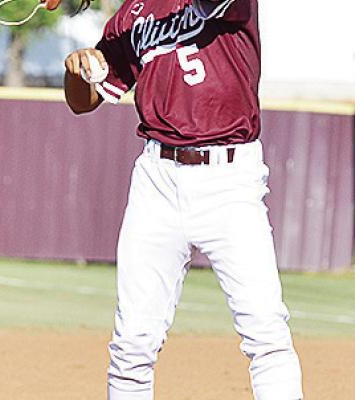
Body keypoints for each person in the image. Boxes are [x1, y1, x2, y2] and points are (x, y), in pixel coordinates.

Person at [63, 1, 303, 399]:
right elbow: (82, 102)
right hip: (157, 178)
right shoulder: (130, 16)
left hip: (230, 178)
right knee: (132, 342)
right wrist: (77, 69)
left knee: (266, 331)